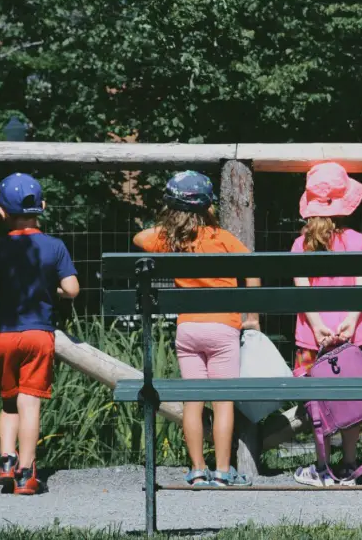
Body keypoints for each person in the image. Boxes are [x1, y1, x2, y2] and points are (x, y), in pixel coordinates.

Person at [134, 171, 259, 488]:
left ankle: (197, 469)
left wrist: (173, 223)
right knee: (223, 402)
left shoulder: (168, 240)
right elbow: (255, 270)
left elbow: (140, 237)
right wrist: (252, 316)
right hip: (223, 329)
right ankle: (223, 470)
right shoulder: (221, 238)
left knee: (194, 401)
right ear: (209, 206)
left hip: (188, 330)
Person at [0, 173, 80, 495]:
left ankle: (6, 460)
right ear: (43, 207)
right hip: (39, 334)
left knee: (9, 401)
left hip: (4, 335)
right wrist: (53, 288)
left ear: (1, 212)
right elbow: (72, 289)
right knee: (31, 403)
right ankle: (26, 472)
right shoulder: (54, 246)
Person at [289, 162, 362, 487]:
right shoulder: (358, 241)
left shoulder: (301, 244)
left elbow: (302, 287)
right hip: (353, 338)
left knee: (318, 405)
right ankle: (349, 466)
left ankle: (323, 467)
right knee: (351, 402)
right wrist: (351, 319)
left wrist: (318, 324)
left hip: (313, 339)